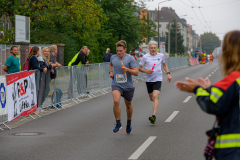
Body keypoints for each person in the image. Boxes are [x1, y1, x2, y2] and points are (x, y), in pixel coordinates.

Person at [175, 30, 240, 160]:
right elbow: (229, 100)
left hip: (232, 151)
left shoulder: (233, 80)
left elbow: (213, 104)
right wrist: (210, 89)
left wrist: (197, 89)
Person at [139, 41, 172, 124]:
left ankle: (154, 115)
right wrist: (147, 71)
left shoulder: (160, 56)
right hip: (149, 80)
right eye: (151, 48)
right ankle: (155, 98)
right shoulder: (145, 57)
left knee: (155, 96)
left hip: (158, 79)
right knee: (151, 98)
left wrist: (168, 74)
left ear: (156, 48)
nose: (153, 49)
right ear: (149, 48)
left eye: (154, 48)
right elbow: (140, 68)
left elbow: (164, 65)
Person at [109, 40, 138, 134]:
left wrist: (127, 69)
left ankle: (129, 123)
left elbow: (136, 73)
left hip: (128, 85)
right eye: (117, 50)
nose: (119, 53)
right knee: (116, 101)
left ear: (125, 49)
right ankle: (118, 123)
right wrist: (111, 72)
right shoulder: (113, 57)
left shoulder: (130, 59)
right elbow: (110, 64)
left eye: (121, 50)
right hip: (116, 84)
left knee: (128, 104)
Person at [27, 46, 47, 113]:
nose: (39, 52)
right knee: (34, 92)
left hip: (36, 76)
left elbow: (39, 65)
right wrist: (42, 69)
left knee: (37, 91)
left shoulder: (35, 57)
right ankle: (33, 108)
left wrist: (43, 67)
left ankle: (36, 107)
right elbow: (35, 67)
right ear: (37, 51)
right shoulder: (33, 57)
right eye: (39, 51)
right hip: (33, 76)